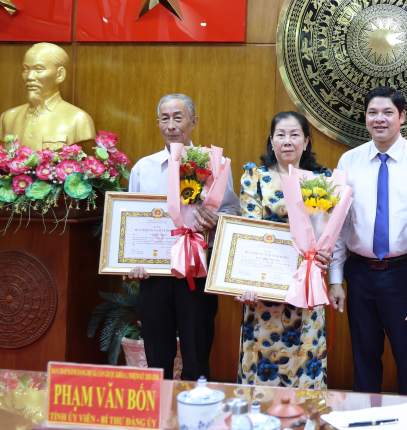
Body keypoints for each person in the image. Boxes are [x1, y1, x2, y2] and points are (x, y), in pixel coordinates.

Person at [328, 85, 407, 395]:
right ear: (365, 117)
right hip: (359, 274)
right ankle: (365, 423)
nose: (380, 119)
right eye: (373, 112)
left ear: (402, 116)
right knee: (363, 360)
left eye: (388, 112)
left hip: (403, 275)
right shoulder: (348, 161)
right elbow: (339, 225)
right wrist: (335, 280)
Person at [127, 93, 241, 381]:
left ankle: (197, 406)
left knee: (196, 355)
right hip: (155, 273)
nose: (171, 125)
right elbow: (129, 220)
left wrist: (216, 221)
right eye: (165, 118)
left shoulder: (214, 166)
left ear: (193, 122)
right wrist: (131, 262)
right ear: (158, 123)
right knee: (157, 356)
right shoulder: (143, 168)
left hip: (196, 270)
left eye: (178, 118)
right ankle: (159, 407)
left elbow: (232, 211)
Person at [235, 111, 332, 388]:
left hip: (307, 288)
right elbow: (249, 232)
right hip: (265, 289)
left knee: (305, 359)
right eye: (281, 135)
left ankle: (305, 415)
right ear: (271, 140)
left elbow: (327, 232)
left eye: (294, 135)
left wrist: (325, 254)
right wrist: (245, 281)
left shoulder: (320, 179)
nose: (287, 141)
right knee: (264, 365)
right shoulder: (255, 177)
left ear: (306, 141)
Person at [0, 42, 96, 151]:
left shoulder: (79, 119)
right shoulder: (8, 118)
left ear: (59, 75)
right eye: (25, 69)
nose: (29, 77)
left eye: (39, 69)